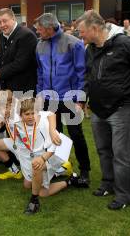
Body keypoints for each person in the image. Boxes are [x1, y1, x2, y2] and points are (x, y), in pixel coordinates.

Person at [76, 10, 130, 210]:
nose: (80, 36)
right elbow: (88, 76)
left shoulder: (126, 44)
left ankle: (123, 195)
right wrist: (83, 98)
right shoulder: (90, 49)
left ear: (94, 28)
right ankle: (107, 184)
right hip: (98, 109)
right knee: (103, 150)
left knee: (121, 154)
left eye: (82, 31)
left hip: (121, 108)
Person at [0, 98, 84, 215]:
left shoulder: (37, 120)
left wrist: (52, 130)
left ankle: (36, 199)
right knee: (27, 184)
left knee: (40, 189)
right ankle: (19, 170)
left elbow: (50, 114)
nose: (30, 116)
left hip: (45, 154)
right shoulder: (8, 115)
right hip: (21, 146)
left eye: (5, 107)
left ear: (11, 105)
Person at [34, 13, 91, 185]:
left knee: (76, 135)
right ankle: (58, 168)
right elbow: (40, 72)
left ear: (49, 28)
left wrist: (80, 100)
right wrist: (39, 93)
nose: (37, 32)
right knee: (54, 135)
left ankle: (85, 171)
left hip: (70, 98)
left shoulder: (73, 43)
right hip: (49, 99)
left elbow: (82, 73)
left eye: (40, 29)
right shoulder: (39, 45)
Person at [0, 8, 38, 94]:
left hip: (23, 88)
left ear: (13, 19)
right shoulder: (0, 36)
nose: (2, 25)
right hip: (6, 88)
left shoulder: (26, 35)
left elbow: (20, 63)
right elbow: (2, 61)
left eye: (5, 21)